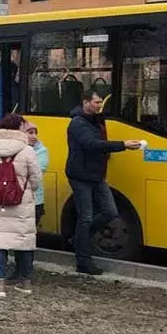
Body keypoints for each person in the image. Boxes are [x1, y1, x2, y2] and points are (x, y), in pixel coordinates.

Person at [65, 89, 142, 275]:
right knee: (86, 216)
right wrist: (123, 145)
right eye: (96, 102)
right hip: (81, 176)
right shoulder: (78, 123)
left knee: (110, 211)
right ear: (85, 103)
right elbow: (92, 144)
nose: (100, 105)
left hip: (96, 176)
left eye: (100, 102)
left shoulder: (95, 121)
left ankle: (79, 239)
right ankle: (82, 261)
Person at [0, 113, 44, 298]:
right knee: (23, 242)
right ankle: (25, 283)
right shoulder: (27, 151)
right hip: (21, 202)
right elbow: (36, 179)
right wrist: (24, 190)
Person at [24, 121, 51, 227]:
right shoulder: (16, 150)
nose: (34, 136)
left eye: (35, 133)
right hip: (20, 201)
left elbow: (35, 172)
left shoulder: (42, 151)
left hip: (35, 201)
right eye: (30, 133)